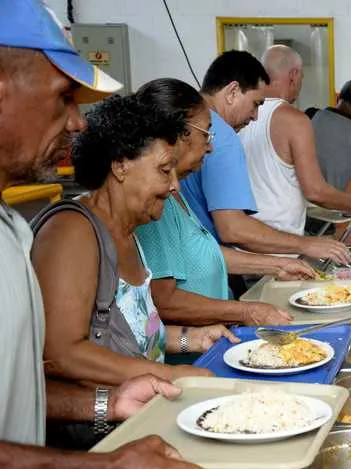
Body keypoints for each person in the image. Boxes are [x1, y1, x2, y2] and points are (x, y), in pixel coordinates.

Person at [0, 2, 211, 469]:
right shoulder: (71, 229)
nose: (76, 120)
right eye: (64, 95)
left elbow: (24, 388)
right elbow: (62, 353)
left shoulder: (11, 227)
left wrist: (112, 401)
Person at [31, 93, 236, 387]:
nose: (174, 185)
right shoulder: (72, 230)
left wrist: (192, 338)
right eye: (165, 171)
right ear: (120, 166)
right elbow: (61, 353)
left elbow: (136, 334)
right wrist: (171, 375)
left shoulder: (130, 234)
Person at [134, 78, 315, 326]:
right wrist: (245, 311)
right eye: (206, 133)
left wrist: (277, 266)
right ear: (178, 135)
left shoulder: (175, 194)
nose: (210, 147)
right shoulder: (153, 204)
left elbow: (202, 255)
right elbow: (164, 300)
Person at [180, 50, 351, 265]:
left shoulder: (190, 127)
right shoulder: (220, 136)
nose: (255, 116)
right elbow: (233, 229)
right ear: (232, 91)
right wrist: (306, 244)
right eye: (255, 104)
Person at [239, 45, 351, 236]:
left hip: (245, 236)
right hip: (279, 243)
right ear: (294, 75)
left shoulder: (239, 114)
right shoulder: (294, 120)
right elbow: (315, 191)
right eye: (302, 78)